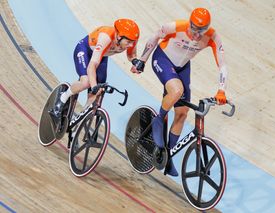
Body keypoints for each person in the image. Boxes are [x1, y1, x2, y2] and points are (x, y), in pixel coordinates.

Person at [131, 8, 228, 176]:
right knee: (177, 90)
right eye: (194, 30)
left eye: (201, 31)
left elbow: (223, 65)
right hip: (162, 58)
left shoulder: (213, 37)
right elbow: (155, 36)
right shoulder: (175, 26)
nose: (197, 35)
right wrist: (142, 60)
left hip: (182, 67)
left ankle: (166, 157)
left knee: (182, 112)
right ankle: (158, 120)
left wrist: (222, 90)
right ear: (189, 24)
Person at [50, 18, 144, 119]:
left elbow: (131, 54)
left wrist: (135, 61)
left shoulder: (131, 38)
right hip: (85, 51)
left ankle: (81, 119)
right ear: (119, 36)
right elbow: (92, 66)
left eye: (133, 42)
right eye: (129, 42)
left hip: (101, 56)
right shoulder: (106, 37)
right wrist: (94, 87)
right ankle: (63, 97)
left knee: (98, 95)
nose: (131, 45)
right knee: (86, 82)